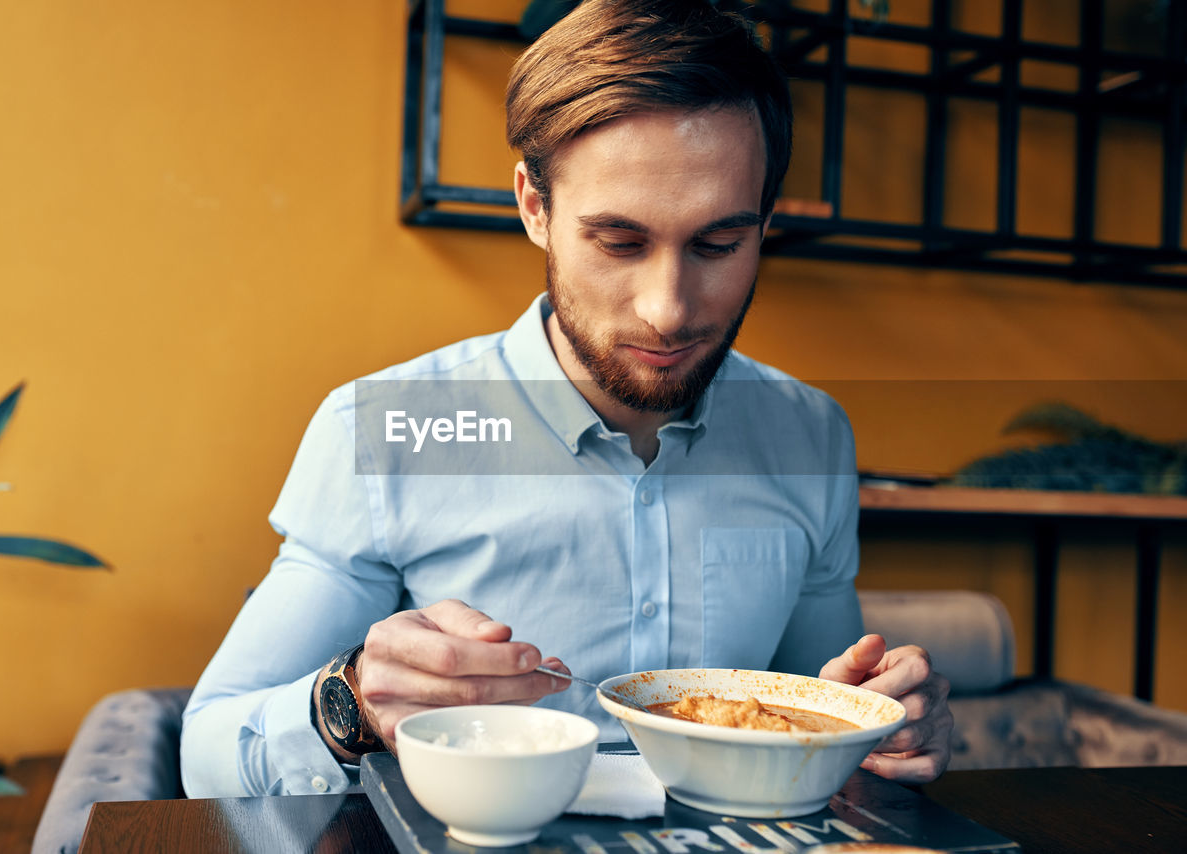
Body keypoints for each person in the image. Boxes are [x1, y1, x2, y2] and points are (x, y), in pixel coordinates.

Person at [180, 0, 952, 798]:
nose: (669, 308)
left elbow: (824, 711)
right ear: (534, 207)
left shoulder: (810, 435)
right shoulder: (381, 433)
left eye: (719, 244)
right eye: (619, 242)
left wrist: (884, 726)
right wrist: (350, 701)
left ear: (763, 224)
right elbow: (207, 752)